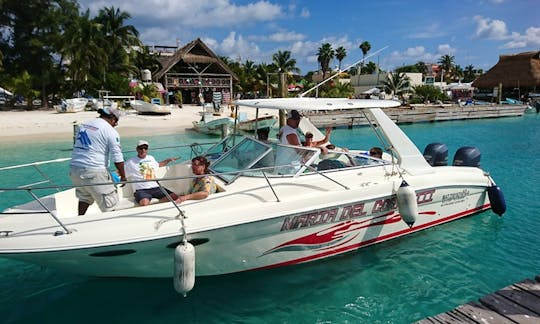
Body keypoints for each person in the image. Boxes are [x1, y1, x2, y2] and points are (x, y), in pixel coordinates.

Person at [70, 107, 126, 215]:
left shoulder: (85, 125)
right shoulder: (110, 130)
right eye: (116, 122)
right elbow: (117, 157)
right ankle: (112, 228)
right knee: (110, 205)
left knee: (84, 197)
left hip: (75, 169)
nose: (116, 125)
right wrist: (123, 176)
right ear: (112, 119)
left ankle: (79, 219)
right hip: (94, 171)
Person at [125, 140, 179, 206]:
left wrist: (168, 160)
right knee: (144, 203)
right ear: (137, 149)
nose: (143, 150)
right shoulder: (130, 162)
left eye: (145, 148)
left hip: (155, 187)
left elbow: (158, 165)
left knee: (174, 197)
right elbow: (120, 172)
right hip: (141, 189)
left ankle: (157, 205)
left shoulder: (151, 158)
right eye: (141, 148)